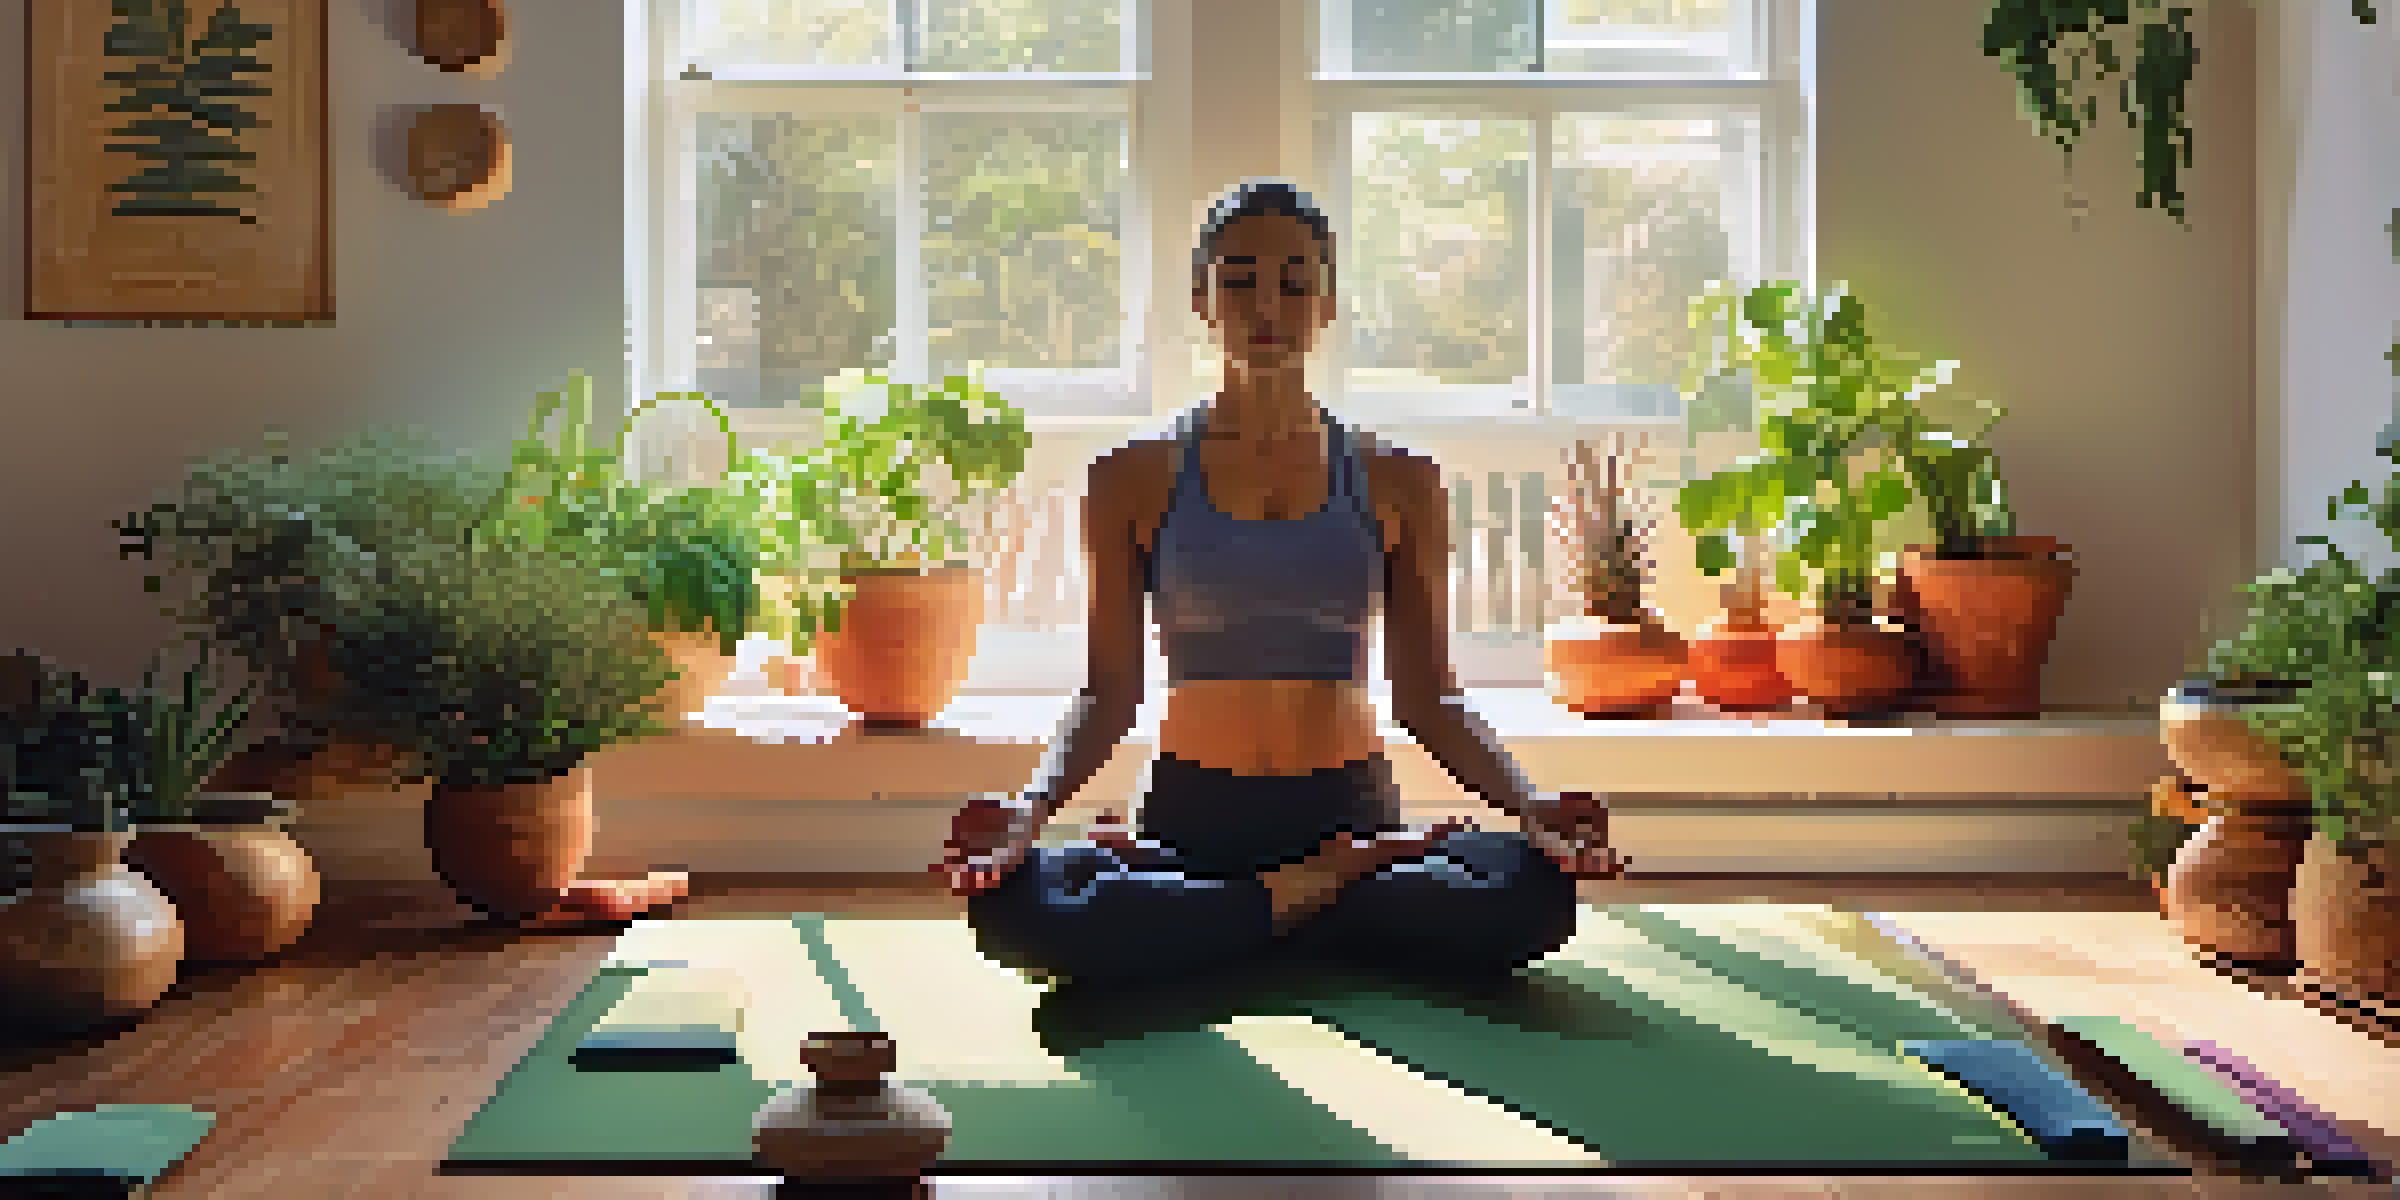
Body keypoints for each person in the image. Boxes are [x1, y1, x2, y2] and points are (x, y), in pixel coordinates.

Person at [935, 178, 1625, 986]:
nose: (1267, 306)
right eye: (1239, 281)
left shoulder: (1399, 478)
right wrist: (1029, 811)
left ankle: (1229, 919)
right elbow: (1108, 695)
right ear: (1202, 299)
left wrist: (1530, 805)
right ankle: (1316, 895)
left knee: (1534, 896)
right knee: (1016, 912)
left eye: (1295, 284)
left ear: (1327, 305)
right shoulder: (1129, 476)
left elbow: (1430, 699)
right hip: (1193, 823)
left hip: (1349, 812)